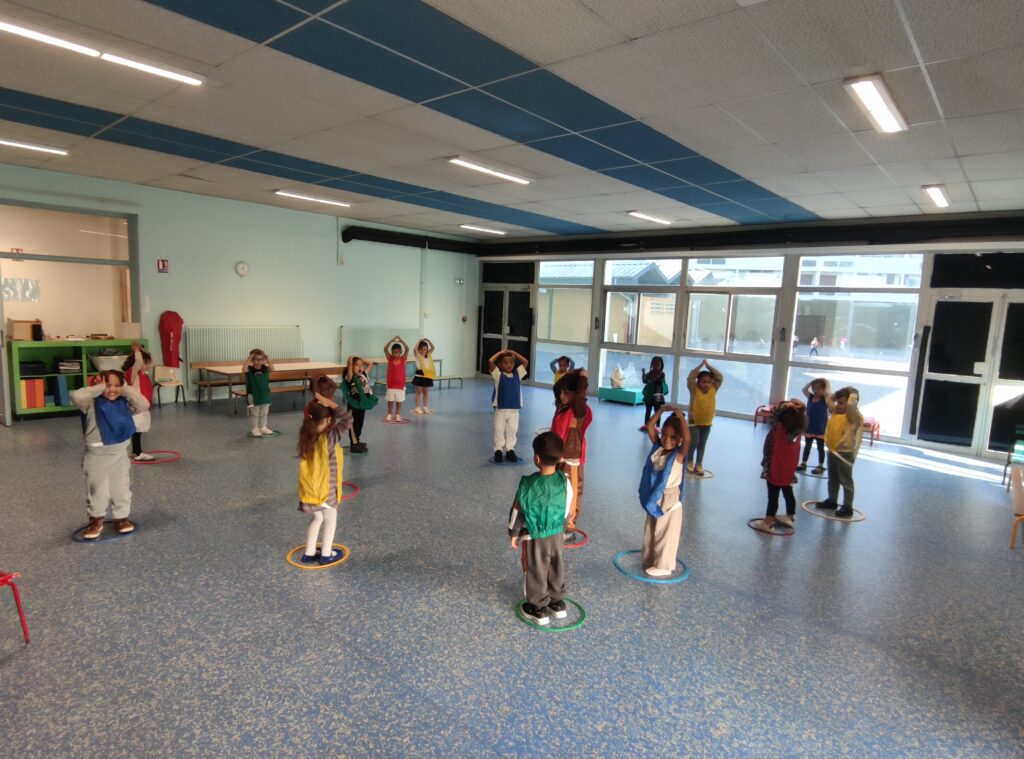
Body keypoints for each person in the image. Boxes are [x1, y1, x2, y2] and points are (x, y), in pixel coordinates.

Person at [71, 370, 150, 540]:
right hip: (96, 456)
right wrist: (99, 388)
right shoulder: (90, 403)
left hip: (119, 454)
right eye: (107, 385)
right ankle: (96, 520)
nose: (112, 389)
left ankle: (121, 518)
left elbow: (144, 405)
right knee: (97, 490)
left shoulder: (124, 403)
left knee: (121, 488)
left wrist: (125, 388)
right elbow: (76, 395)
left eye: (117, 385)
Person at [508, 432, 574, 625]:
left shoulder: (528, 484)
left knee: (536, 568)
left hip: (534, 536)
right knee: (555, 564)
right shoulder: (564, 481)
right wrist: (562, 527)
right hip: (557, 534)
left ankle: (538, 608)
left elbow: (517, 511)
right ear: (560, 458)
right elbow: (567, 508)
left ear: (537, 458)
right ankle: (557, 602)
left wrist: (513, 532)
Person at [297, 397, 352, 565]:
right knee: (330, 519)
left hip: (309, 489)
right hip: (325, 490)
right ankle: (327, 554)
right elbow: (348, 419)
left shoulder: (306, 434)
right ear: (328, 420)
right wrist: (332, 404)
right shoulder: (329, 436)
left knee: (317, 518)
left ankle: (309, 552)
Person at [638, 406, 690, 577]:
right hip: (655, 495)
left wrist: (680, 417)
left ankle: (664, 565)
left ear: (679, 439)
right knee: (652, 528)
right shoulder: (658, 448)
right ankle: (651, 557)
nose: (667, 440)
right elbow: (650, 426)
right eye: (664, 435)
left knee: (665, 531)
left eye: (673, 437)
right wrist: (660, 411)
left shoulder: (678, 455)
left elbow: (688, 440)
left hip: (669, 497)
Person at [752, 400, 807, 532]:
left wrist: (785, 406)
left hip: (775, 467)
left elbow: (773, 413)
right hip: (788, 468)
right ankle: (790, 517)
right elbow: (796, 413)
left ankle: (768, 523)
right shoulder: (797, 430)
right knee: (787, 490)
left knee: (773, 496)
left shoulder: (779, 428)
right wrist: (801, 407)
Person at [811, 386, 864, 519]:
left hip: (845, 453)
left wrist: (852, 394)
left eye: (842, 403)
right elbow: (829, 400)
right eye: (838, 403)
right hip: (833, 451)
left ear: (852, 403)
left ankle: (847, 507)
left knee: (846, 480)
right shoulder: (836, 412)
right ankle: (832, 500)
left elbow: (850, 406)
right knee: (832, 478)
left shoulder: (854, 416)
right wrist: (838, 394)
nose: (838, 405)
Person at [550, 369, 591, 533]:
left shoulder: (578, 411)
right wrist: (574, 373)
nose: (561, 396)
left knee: (572, 491)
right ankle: (559, 518)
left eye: (565, 393)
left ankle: (569, 526)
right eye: (560, 393)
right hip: (559, 457)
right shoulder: (564, 408)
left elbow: (580, 396)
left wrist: (583, 378)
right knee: (560, 489)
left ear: (575, 394)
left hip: (571, 460)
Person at [489, 348, 529, 463]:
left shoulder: (518, 374)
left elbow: (525, 362)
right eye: (505, 363)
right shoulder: (498, 374)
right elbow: (490, 361)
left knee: (512, 430)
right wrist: (500, 353)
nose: (509, 365)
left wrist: (514, 353)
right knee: (499, 430)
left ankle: (510, 450)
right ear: (500, 365)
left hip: (514, 410)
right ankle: (498, 450)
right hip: (500, 409)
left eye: (511, 362)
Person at [685, 359, 723, 476]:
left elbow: (720, 377)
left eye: (709, 382)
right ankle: (689, 461)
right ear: (698, 382)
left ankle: (699, 464)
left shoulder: (713, 389)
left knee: (702, 444)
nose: (706, 384)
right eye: (703, 382)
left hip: (707, 422)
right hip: (694, 422)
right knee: (693, 442)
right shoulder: (694, 390)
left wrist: (709, 367)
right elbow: (690, 378)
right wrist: (699, 367)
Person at [122, 343, 155, 461]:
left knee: (139, 429)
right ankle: (137, 452)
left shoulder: (143, 375)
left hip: (142, 407)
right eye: (146, 363)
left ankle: (136, 452)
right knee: (137, 428)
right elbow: (139, 361)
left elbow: (146, 359)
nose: (149, 365)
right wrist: (137, 350)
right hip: (137, 406)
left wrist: (142, 350)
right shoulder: (133, 374)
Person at [343, 355, 377, 453]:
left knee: (359, 424)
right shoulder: (350, 377)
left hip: (362, 405)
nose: (360, 367)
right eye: (357, 365)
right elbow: (349, 362)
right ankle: (354, 445)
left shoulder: (363, 375)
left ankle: (357, 440)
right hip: (353, 406)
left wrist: (360, 359)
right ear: (351, 367)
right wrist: (352, 357)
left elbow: (370, 363)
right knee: (353, 425)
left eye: (361, 365)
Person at [797, 378, 831, 474]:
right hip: (810, 426)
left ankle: (820, 465)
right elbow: (804, 390)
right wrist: (810, 383)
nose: (816, 390)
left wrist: (824, 391)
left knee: (820, 447)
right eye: (814, 388)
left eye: (818, 388)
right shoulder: (810, 397)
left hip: (820, 427)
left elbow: (829, 395)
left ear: (824, 389)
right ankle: (803, 463)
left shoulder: (825, 399)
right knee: (807, 446)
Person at [243, 349, 274, 437]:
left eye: (261, 359)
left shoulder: (265, 368)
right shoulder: (250, 369)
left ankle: (263, 427)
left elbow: (273, 369)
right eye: (256, 359)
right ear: (252, 360)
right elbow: (244, 369)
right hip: (254, 395)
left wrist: (267, 359)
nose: (259, 361)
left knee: (264, 412)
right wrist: (249, 358)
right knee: (255, 413)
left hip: (264, 394)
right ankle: (255, 429)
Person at [383, 335, 409, 422]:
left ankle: (397, 414)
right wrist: (392, 340)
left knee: (399, 400)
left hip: (400, 384)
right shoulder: (390, 358)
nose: (395, 354)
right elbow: (385, 349)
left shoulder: (403, 359)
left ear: (400, 352)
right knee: (390, 400)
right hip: (391, 384)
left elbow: (407, 348)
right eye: (393, 352)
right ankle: (389, 414)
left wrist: (401, 340)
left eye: (397, 352)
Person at [640, 356, 668, 431]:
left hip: (657, 396)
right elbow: (644, 381)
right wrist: (643, 373)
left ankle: (657, 426)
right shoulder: (650, 373)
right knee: (648, 410)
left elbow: (659, 381)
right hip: (649, 396)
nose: (655, 366)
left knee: (657, 412)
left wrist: (652, 380)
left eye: (657, 364)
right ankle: (646, 425)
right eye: (654, 364)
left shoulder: (662, 374)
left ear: (661, 365)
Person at [411, 338, 437, 415]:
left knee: (425, 392)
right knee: (418, 392)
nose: (423, 351)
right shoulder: (417, 355)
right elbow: (415, 349)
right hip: (419, 375)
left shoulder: (428, 355)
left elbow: (433, 347)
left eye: (425, 349)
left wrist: (428, 340)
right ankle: (417, 407)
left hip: (427, 375)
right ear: (419, 349)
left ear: (427, 349)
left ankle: (425, 407)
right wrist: (419, 341)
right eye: (421, 349)